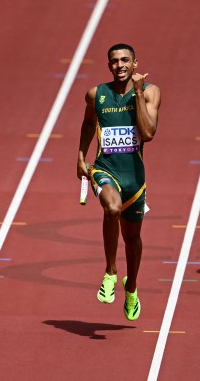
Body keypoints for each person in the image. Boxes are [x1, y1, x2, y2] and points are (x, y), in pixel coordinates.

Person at [77, 44, 161, 321]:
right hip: (105, 169)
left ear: (136, 63)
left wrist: (136, 92)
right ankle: (111, 271)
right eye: (114, 61)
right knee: (111, 209)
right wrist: (80, 156)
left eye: (125, 60)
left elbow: (148, 133)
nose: (120, 65)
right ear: (108, 65)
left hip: (134, 180)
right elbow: (89, 123)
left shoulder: (149, 91)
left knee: (133, 238)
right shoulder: (96, 94)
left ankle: (132, 287)